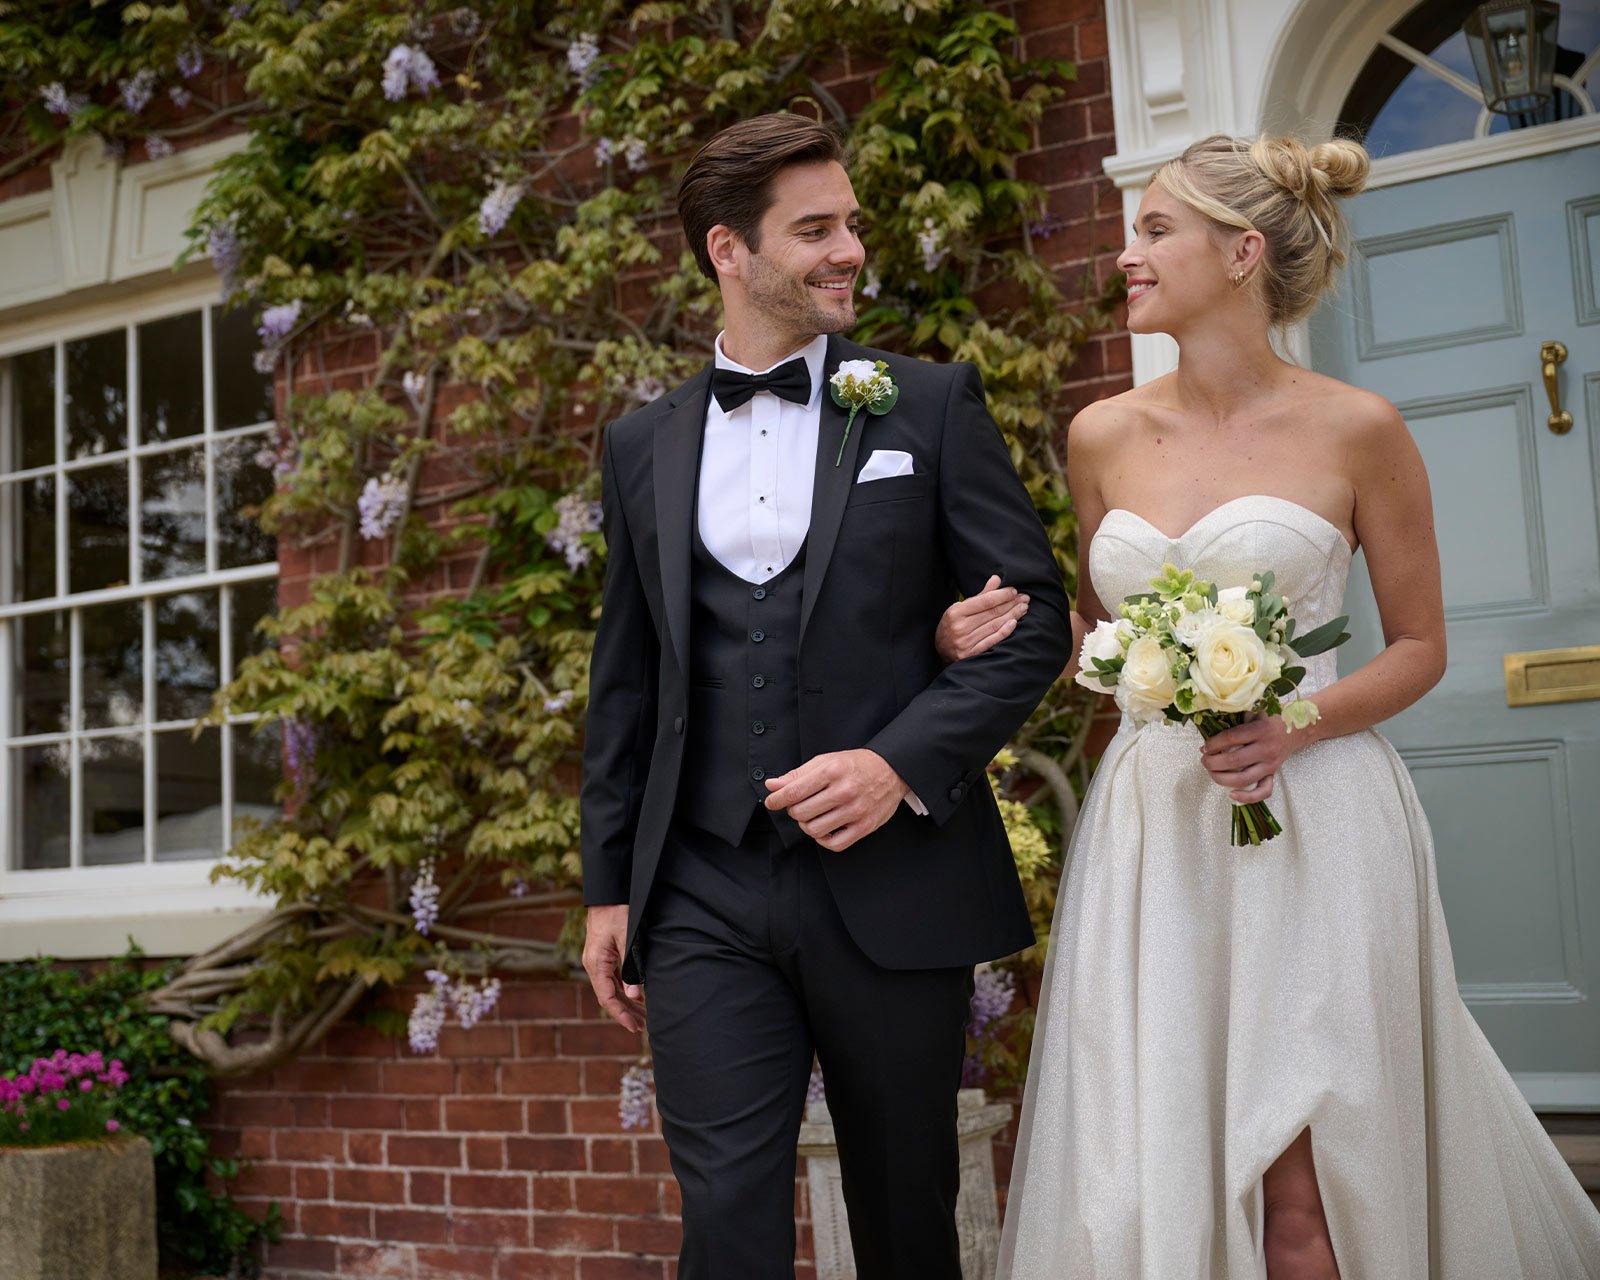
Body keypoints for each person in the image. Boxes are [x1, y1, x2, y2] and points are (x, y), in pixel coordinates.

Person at [938, 134, 1600, 1277]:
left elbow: (1420, 645)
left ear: (1241, 253)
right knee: (1149, 1157)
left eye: (1154, 230)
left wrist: (1297, 720)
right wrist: (976, 637)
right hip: (1156, 830)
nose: (1125, 252)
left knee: (1305, 1172)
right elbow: (1098, 644)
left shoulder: (1357, 428)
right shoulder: (1098, 436)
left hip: (1314, 817)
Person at [578, 112, 1072, 1280]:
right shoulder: (639, 443)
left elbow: (1032, 623)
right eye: (815, 229)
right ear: (727, 251)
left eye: (851, 222)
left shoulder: (926, 405)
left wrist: (898, 760)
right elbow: (628, 674)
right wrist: (608, 884)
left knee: (907, 1217)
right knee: (727, 1219)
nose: (850, 247)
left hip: (891, 880)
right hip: (699, 884)